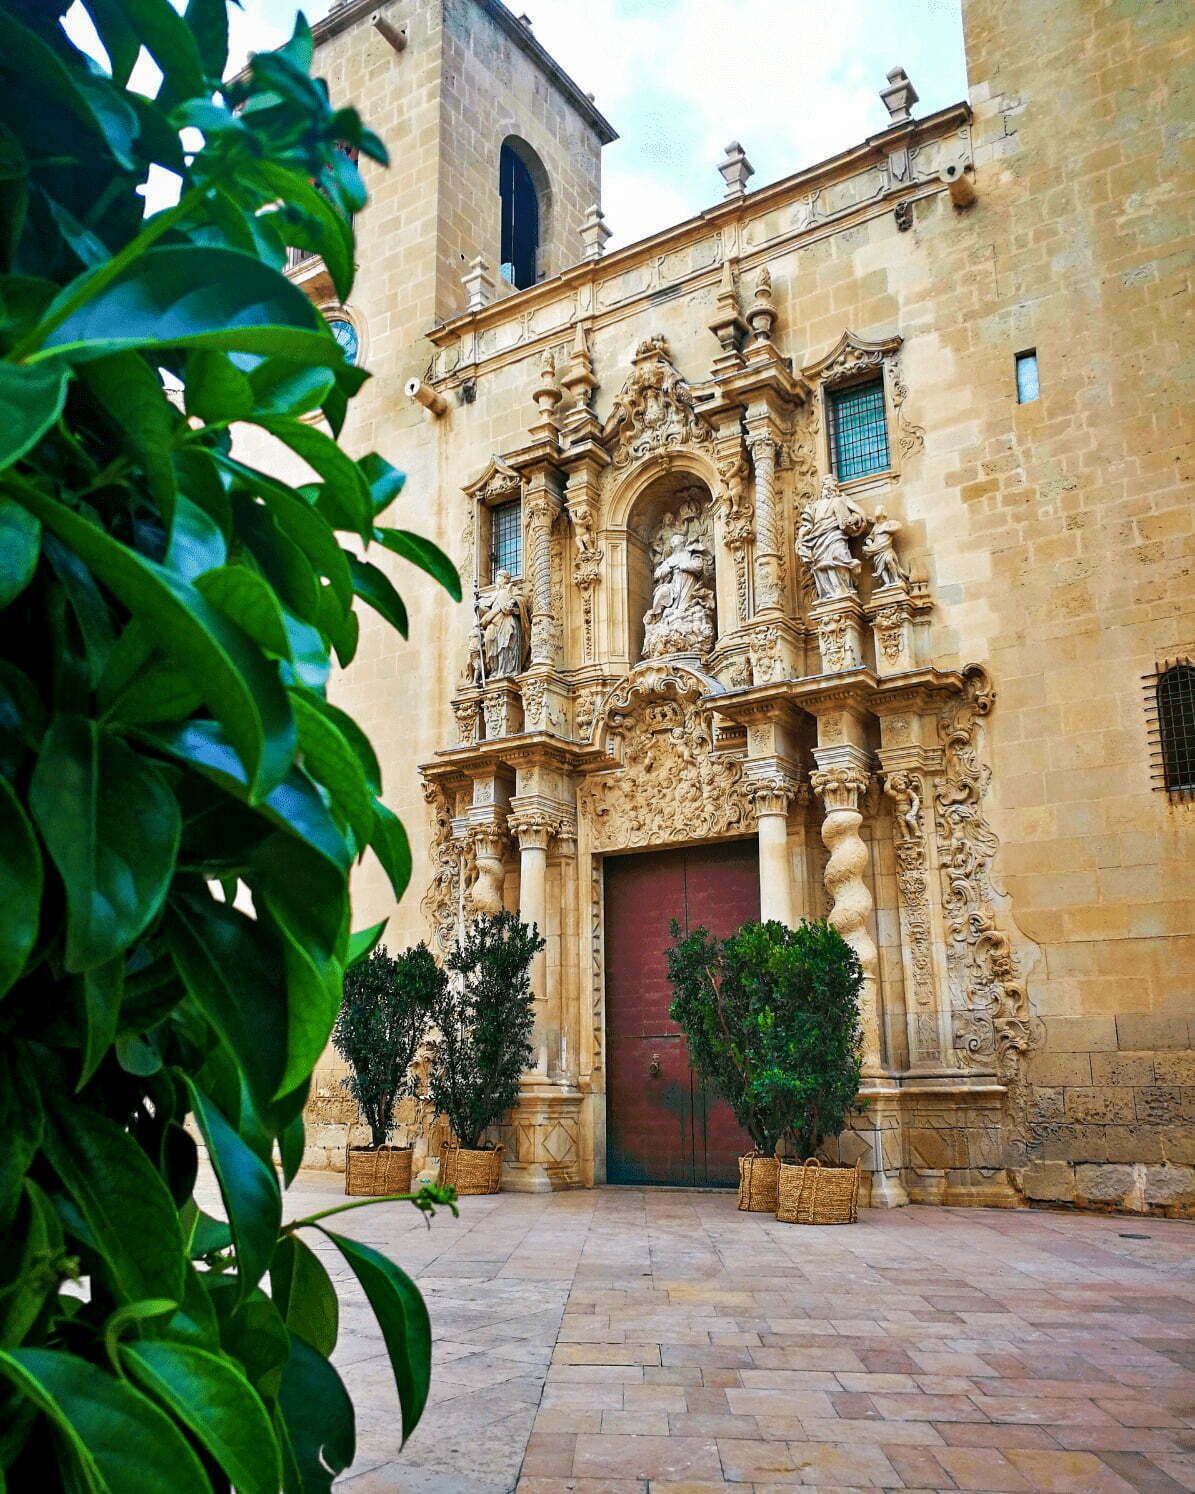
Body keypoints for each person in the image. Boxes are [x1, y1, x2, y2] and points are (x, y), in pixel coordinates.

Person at [796, 474, 867, 599]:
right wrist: (802, 536)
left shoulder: (839, 501)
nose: (827, 488)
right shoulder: (815, 505)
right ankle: (829, 593)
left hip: (835, 536)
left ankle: (844, 591)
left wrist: (854, 519)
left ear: (835, 487)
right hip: (817, 540)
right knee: (821, 565)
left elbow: (851, 520)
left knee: (839, 558)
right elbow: (808, 524)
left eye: (830, 485)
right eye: (824, 485)